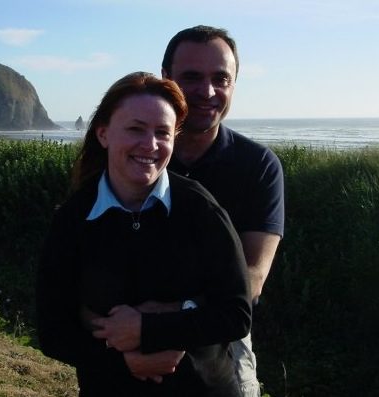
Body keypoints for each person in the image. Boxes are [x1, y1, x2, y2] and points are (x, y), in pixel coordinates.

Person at [36, 71, 252, 397]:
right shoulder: (73, 218)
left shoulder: (201, 210)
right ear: (104, 134)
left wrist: (150, 331)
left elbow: (236, 315)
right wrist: (125, 362)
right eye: (136, 129)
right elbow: (53, 330)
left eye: (162, 133)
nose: (150, 144)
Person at [123, 26, 285, 396]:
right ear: (167, 79)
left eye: (221, 79)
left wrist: (167, 319)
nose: (207, 91)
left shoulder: (257, 165)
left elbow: (253, 278)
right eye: (191, 77)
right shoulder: (134, 155)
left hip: (221, 336)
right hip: (126, 326)